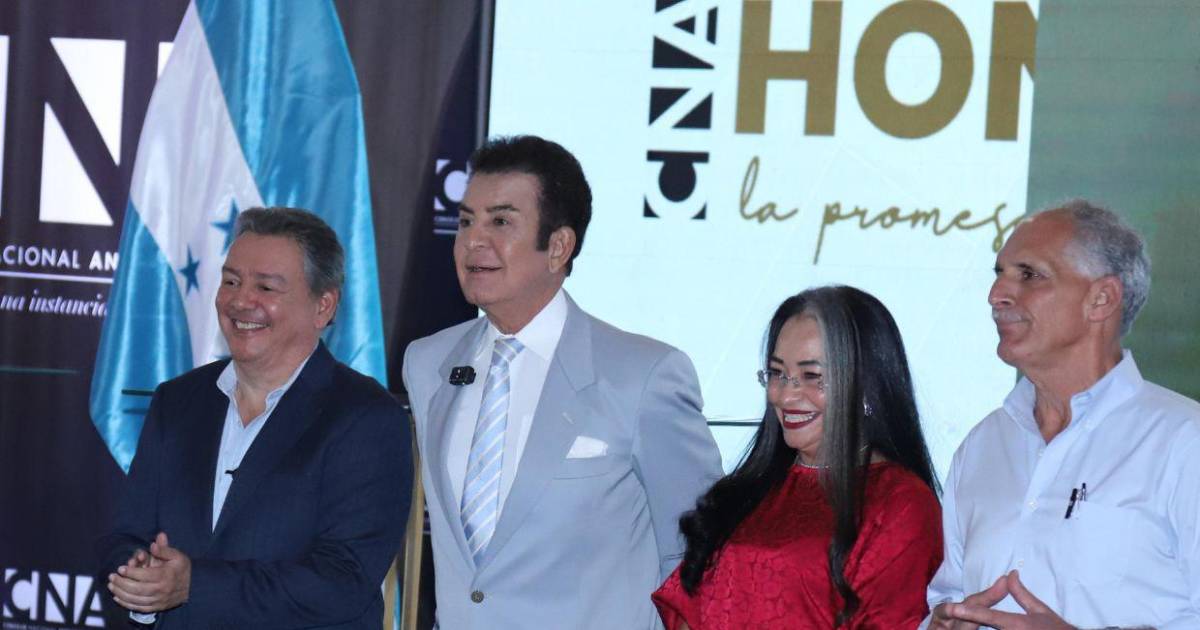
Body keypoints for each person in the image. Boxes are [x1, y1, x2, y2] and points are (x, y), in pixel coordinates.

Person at [402, 135, 724, 629]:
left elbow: (700, 556)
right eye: (466, 221)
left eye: (500, 222)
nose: (473, 241)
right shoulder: (428, 364)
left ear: (558, 247)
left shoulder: (645, 376)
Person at [97, 207, 411, 629]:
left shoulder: (366, 417)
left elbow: (343, 579)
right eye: (231, 281)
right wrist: (141, 582)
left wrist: (193, 585)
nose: (241, 301)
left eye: (265, 287)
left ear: (323, 306)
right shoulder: (178, 400)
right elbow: (125, 537)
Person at [925, 200, 1200, 629]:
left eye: (1029, 275)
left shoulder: (1184, 442)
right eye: (999, 274)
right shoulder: (983, 445)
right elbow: (948, 597)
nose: (996, 295)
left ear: (1101, 299)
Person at [654, 285, 943, 629]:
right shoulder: (747, 491)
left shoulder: (901, 503)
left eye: (811, 377)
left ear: (866, 386)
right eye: (777, 373)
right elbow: (689, 607)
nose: (785, 395)